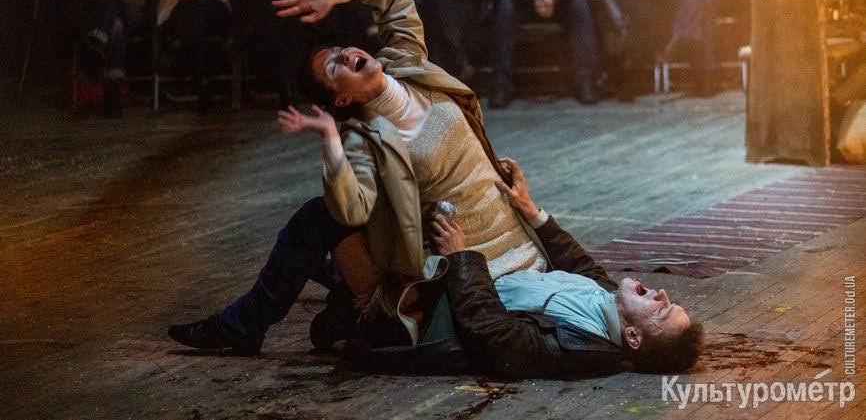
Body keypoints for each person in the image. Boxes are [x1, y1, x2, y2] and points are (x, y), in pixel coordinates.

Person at [170, 0, 554, 351]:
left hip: (512, 244)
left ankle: (328, 309)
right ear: (342, 98)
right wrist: (331, 140)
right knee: (317, 219)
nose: (346, 55)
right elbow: (350, 210)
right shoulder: (363, 138)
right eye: (335, 67)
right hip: (463, 258)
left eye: (340, 49)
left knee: (311, 231)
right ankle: (316, 313)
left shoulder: (405, 62)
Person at [168, 156, 704, 377]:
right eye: (669, 299)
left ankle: (254, 324)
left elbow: (492, 337)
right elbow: (577, 261)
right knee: (336, 232)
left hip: (419, 316)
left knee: (322, 217)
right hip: (448, 281)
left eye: (661, 311)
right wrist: (530, 208)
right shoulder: (605, 305)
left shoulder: (580, 348)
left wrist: (463, 256)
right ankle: (336, 306)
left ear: (633, 339)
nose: (662, 295)